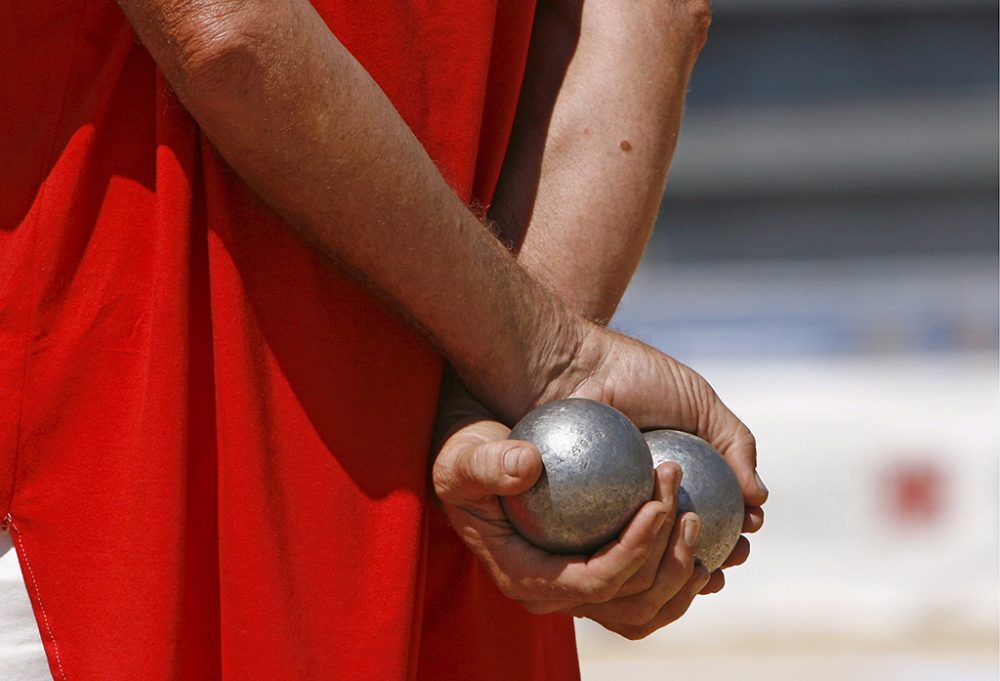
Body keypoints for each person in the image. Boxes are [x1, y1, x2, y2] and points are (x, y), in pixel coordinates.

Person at [0, 1, 767, 679]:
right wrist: (512, 410)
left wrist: (541, 366)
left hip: (116, 480)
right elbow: (647, 15)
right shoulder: (514, 387)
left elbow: (228, 27)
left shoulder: (531, 362)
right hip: (444, 518)